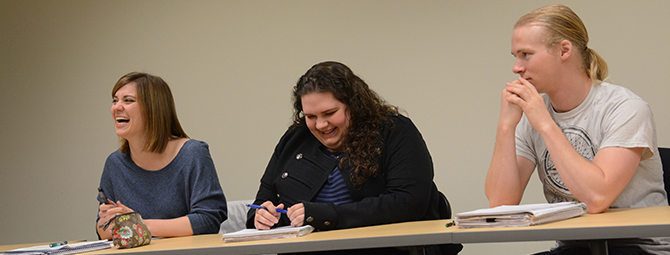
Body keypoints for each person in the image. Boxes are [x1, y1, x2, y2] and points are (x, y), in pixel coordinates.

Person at [485, 4, 669, 255]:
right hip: (575, 247)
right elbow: (500, 204)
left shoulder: (626, 108)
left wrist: (546, 125)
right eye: (515, 56)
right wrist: (506, 127)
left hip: (637, 247)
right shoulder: (532, 116)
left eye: (526, 54)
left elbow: (596, 199)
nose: (517, 67)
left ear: (564, 50)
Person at [247, 61, 462, 255]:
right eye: (311, 117)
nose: (321, 125)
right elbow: (262, 202)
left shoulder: (394, 131)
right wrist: (262, 217)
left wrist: (326, 215)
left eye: (330, 113)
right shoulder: (294, 140)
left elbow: (407, 202)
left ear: (355, 106)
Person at [96, 72, 227, 239]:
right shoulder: (114, 163)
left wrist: (138, 223)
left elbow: (208, 219)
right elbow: (101, 229)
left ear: (153, 108)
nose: (117, 107)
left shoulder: (192, 153)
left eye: (128, 100)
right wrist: (107, 221)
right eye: (115, 100)